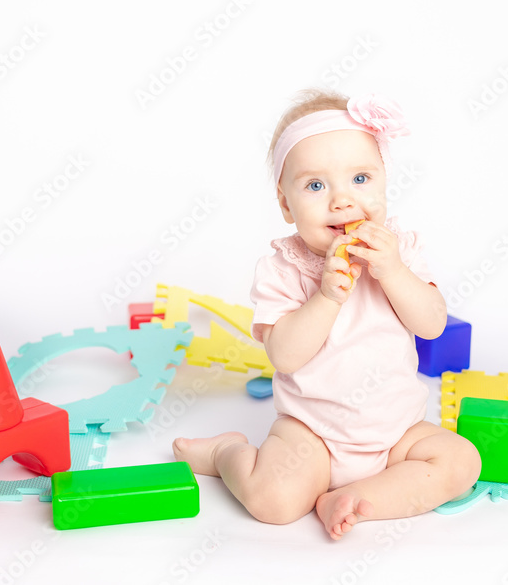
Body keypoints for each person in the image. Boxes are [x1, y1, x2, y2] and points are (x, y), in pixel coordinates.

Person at [173, 90, 481, 540]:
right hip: (310, 438)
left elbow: (432, 323)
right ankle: (227, 453)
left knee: (462, 462)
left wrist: (393, 271)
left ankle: (359, 500)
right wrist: (326, 298)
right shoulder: (284, 267)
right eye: (316, 186)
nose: (341, 200)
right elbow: (285, 355)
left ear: (383, 183)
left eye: (360, 178)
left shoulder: (400, 252)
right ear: (285, 204)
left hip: (397, 433)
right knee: (273, 503)